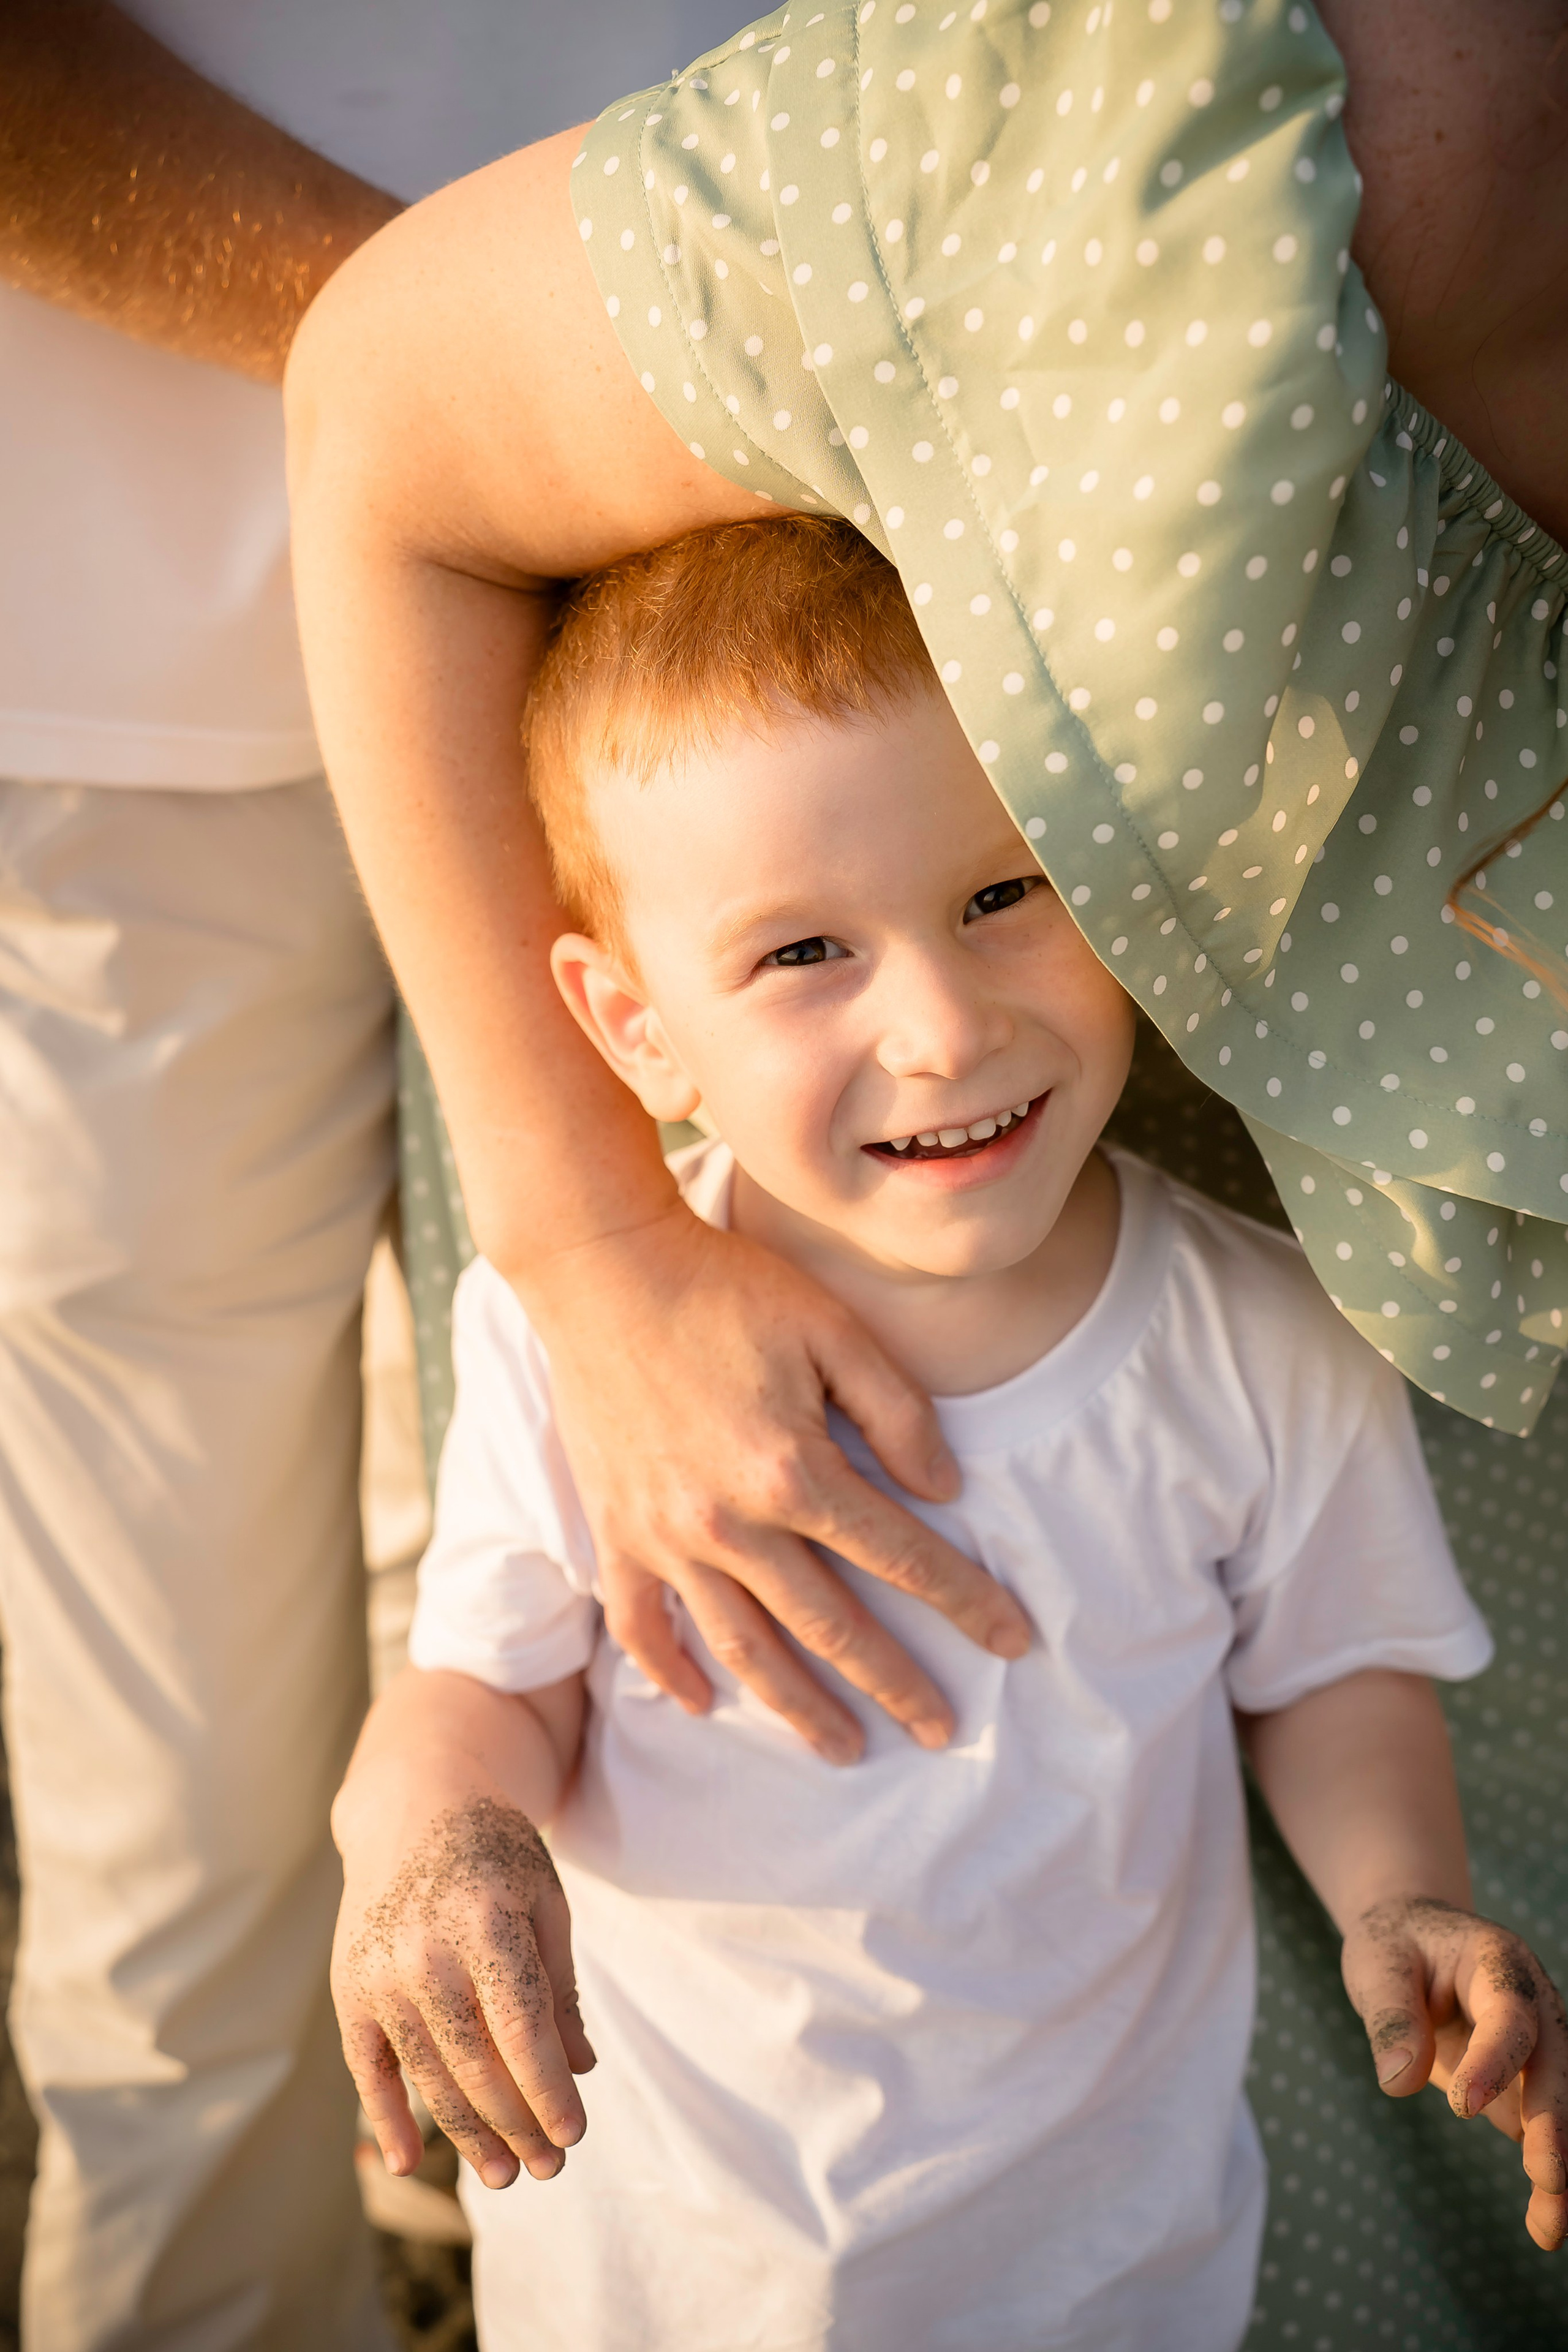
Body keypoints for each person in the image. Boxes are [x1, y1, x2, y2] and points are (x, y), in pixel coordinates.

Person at [284, 0, 1568, 2338]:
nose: (946, 1024)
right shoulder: (559, 1336)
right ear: (624, 1022)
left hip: (1115, 2276)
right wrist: (440, 1857)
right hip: (654, 2279)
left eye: (1006, 894)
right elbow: (475, 1695)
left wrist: (1407, 1900)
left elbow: (1342, 1673)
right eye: (799, 951)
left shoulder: (1259, 1326)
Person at [0, 3, 747, 2345]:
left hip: (686, 590)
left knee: (599, 1540)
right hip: (139, 646)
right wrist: (503, 376)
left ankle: (538, 2221)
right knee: (176, 1713)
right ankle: (215, 2290)